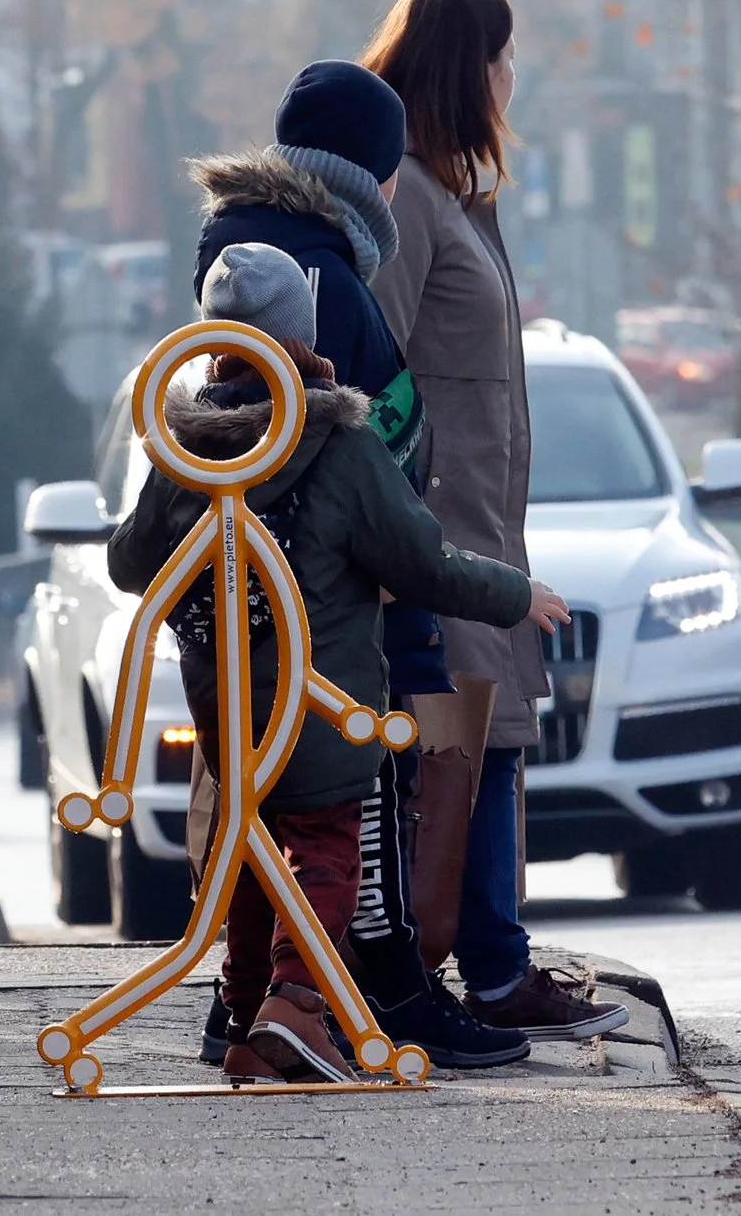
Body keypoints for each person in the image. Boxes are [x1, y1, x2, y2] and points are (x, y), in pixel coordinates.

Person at [109, 242, 570, 1081]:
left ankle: (240, 1012)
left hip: (224, 703)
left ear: (212, 343)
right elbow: (424, 562)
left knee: (251, 846)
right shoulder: (338, 442)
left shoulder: (187, 453)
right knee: (324, 848)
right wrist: (518, 596)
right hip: (320, 698)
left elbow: (130, 564)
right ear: (302, 336)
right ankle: (294, 1004)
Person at [186, 60, 528, 1066]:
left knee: (275, 808)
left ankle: (249, 1006)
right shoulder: (317, 279)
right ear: (356, 171)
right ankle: (358, 1000)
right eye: (384, 170)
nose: (392, 189)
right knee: (350, 810)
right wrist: (456, 579)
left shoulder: (267, 255)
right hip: (341, 609)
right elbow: (327, 457)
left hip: (284, 608)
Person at [364, 0, 629, 1039]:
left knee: (487, 736)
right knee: (463, 745)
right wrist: (393, 528)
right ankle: (482, 965)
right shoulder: (409, 199)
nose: (512, 79)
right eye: (503, 58)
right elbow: (372, 363)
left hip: (478, 527)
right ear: (464, 69)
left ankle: (491, 960)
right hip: (432, 534)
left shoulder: (454, 193)